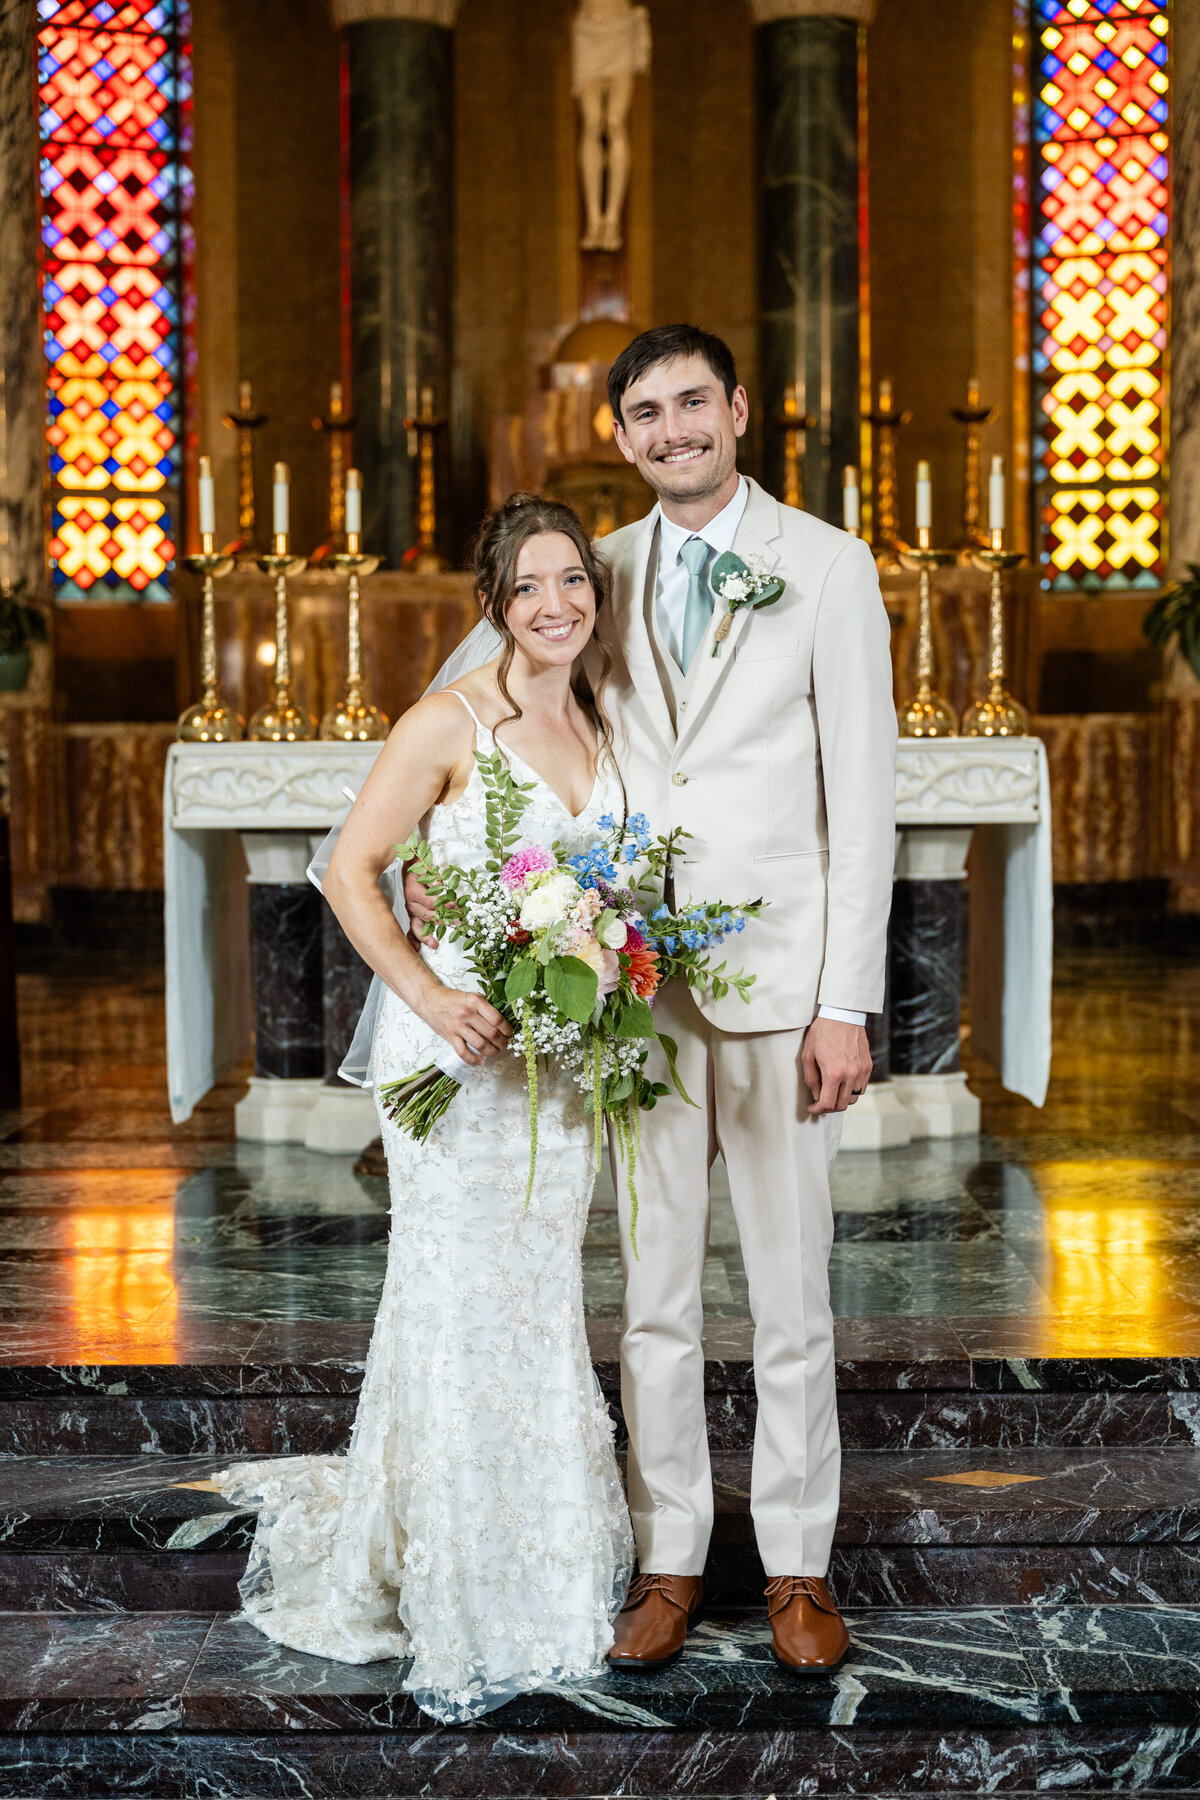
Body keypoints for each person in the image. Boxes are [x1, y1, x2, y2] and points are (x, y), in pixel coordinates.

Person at [413, 324, 896, 1676]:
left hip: (783, 987)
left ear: (740, 411)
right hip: (628, 990)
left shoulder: (828, 566)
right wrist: (439, 872)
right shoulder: (592, 571)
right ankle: (670, 1556)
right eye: (648, 413)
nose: (675, 429)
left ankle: (797, 1563)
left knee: (793, 1294)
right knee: (655, 1297)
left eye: (696, 402)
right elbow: (467, 709)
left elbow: (863, 802)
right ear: (620, 435)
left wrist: (845, 1000)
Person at [213, 494, 633, 1725]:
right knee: (455, 1295)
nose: (555, 607)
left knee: (540, 1296)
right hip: (452, 1057)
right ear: (493, 606)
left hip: (560, 1060)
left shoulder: (605, 719)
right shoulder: (448, 720)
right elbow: (345, 871)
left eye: (574, 584)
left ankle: (545, 1556)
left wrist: (604, 960)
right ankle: (468, 1585)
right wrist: (436, 993)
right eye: (529, 590)